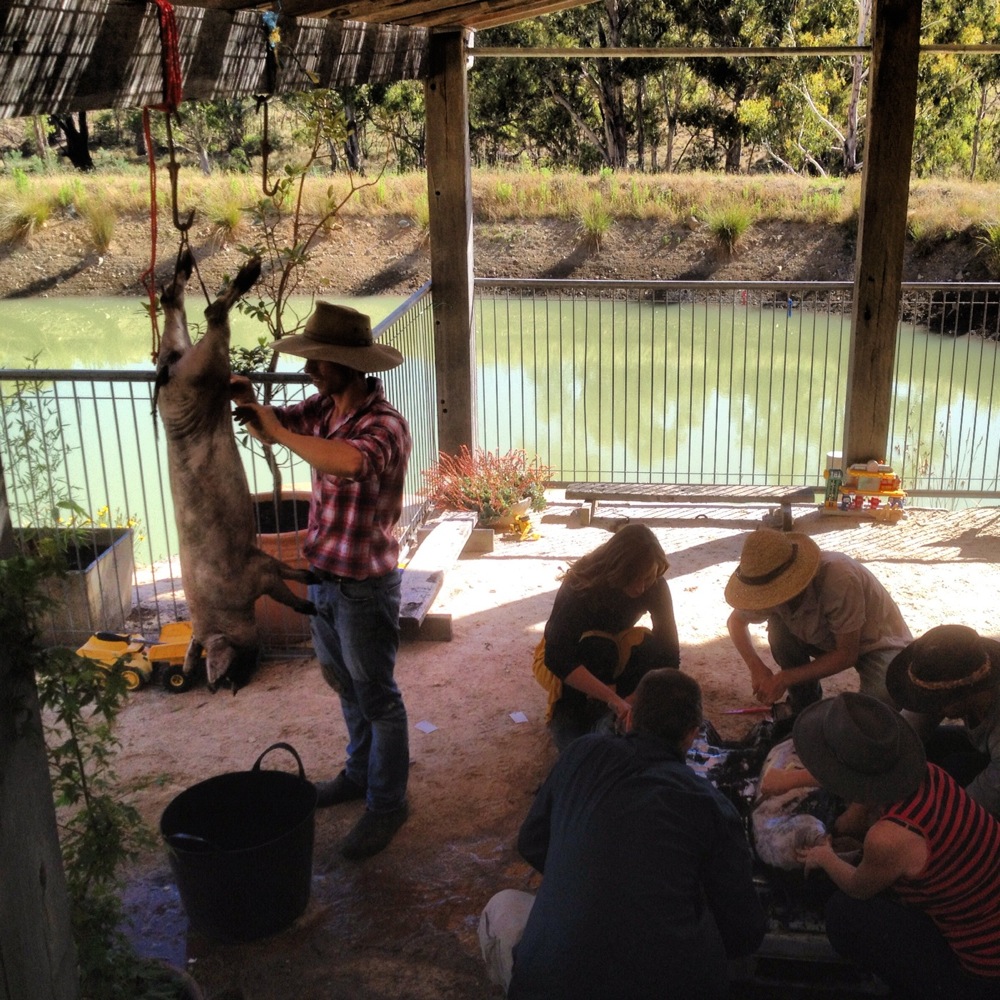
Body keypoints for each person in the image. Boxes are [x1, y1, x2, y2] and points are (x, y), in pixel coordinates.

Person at [231, 301, 411, 860]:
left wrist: (279, 436)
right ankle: (358, 776)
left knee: (379, 699)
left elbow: (348, 463)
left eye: (319, 362)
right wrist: (249, 404)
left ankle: (387, 804)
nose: (310, 370)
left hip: (364, 585)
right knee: (347, 688)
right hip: (325, 579)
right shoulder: (327, 405)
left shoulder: (384, 426)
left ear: (349, 366)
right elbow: (285, 425)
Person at [479, 669, 766, 1000]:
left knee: (504, 907)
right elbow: (745, 933)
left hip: (549, 987)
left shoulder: (580, 753)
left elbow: (531, 842)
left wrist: (591, 871)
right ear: (692, 735)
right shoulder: (711, 806)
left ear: (629, 720)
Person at [793, 692, 1000, 1000]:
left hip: (983, 972)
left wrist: (824, 856)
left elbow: (857, 887)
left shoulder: (890, 836)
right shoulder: (931, 773)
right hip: (985, 904)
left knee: (843, 913)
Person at [725, 527, 911, 713]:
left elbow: (846, 654)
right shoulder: (767, 580)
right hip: (825, 637)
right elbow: (735, 622)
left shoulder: (839, 576)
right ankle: (804, 704)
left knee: (880, 700)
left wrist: (784, 678)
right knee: (778, 630)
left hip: (876, 643)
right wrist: (755, 666)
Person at [531, 523, 680, 750]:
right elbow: (556, 656)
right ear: (617, 570)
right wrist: (612, 699)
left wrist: (633, 699)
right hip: (568, 655)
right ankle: (569, 712)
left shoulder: (655, 584)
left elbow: (669, 653)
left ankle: (610, 709)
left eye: (648, 578)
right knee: (579, 750)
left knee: (648, 647)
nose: (641, 587)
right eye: (634, 578)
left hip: (612, 650)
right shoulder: (581, 585)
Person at [886, 623, 1000, 818]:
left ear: (964, 695)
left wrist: (929, 820)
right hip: (988, 753)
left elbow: (980, 803)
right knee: (926, 749)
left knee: (953, 770)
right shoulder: (964, 686)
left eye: (936, 702)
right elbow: (903, 736)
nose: (929, 706)